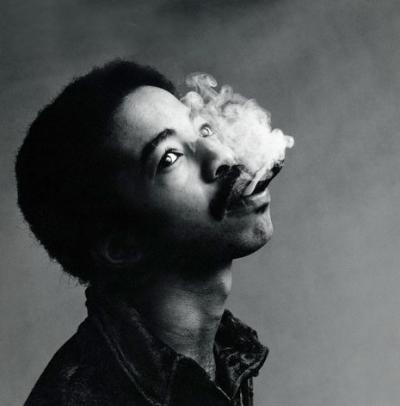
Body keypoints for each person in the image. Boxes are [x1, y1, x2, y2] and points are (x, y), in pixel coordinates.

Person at [16, 60, 283, 406]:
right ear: (122, 246)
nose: (222, 156)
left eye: (204, 131)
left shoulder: (223, 361)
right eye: (169, 158)